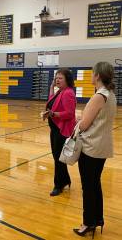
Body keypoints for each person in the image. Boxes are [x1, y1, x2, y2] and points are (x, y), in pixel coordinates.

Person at [73, 62, 117, 238]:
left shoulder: (99, 96)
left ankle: (88, 223)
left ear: (97, 75)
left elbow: (84, 125)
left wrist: (79, 118)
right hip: (103, 146)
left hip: (91, 147)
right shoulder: (111, 94)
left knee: (88, 188)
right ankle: (97, 219)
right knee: (95, 184)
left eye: (92, 73)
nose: (91, 76)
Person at [43, 68, 76, 196]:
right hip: (55, 129)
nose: (57, 79)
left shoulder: (68, 93)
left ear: (67, 80)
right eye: (56, 78)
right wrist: (51, 87)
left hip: (62, 131)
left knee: (58, 159)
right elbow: (51, 101)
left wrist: (53, 114)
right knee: (58, 158)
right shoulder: (60, 92)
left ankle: (58, 185)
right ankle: (65, 180)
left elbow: (69, 113)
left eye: (60, 78)